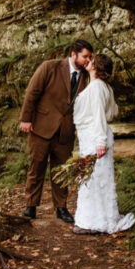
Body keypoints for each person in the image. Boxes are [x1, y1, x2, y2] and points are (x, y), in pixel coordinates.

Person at [19, 39, 93, 222]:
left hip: (65, 131)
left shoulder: (87, 75)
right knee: (36, 167)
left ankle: (61, 208)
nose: (88, 60)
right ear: (73, 53)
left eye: (90, 57)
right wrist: (26, 119)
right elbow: (32, 92)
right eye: (85, 56)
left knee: (61, 171)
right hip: (41, 127)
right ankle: (30, 206)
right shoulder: (49, 67)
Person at [72, 53, 135, 234]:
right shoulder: (105, 87)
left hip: (95, 135)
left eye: (91, 60)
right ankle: (96, 219)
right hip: (94, 134)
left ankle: (92, 222)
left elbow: (100, 114)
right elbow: (113, 112)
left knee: (93, 178)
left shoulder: (98, 87)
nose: (88, 61)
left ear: (96, 67)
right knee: (97, 178)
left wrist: (100, 140)